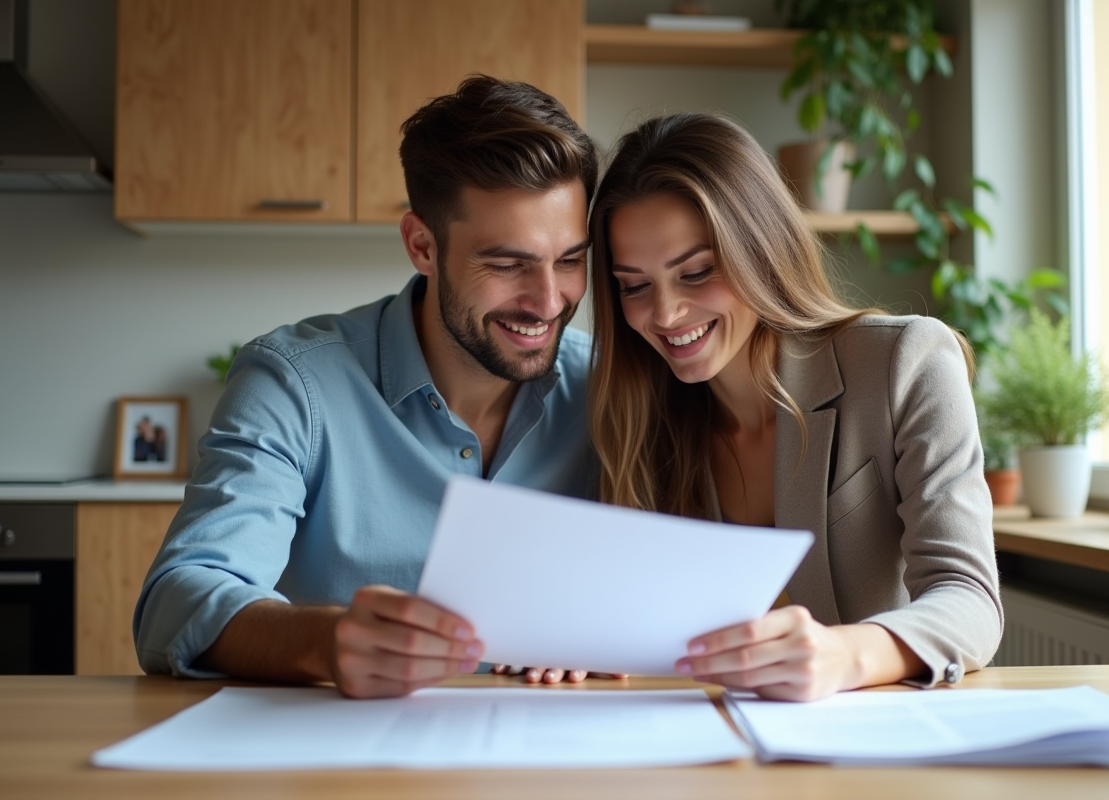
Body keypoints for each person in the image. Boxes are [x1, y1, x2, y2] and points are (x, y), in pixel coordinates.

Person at [135, 76, 605, 697]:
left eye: (570, 260)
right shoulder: (293, 383)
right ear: (421, 246)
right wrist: (324, 643)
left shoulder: (608, 387)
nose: (549, 301)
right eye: (507, 264)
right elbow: (177, 599)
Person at [588, 112, 1003, 702]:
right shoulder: (638, 415)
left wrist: (847, 653)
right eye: (634, 285)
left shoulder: (905, 361)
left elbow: (969, 597)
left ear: (760, 247)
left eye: (698, 272)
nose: (665, 314)